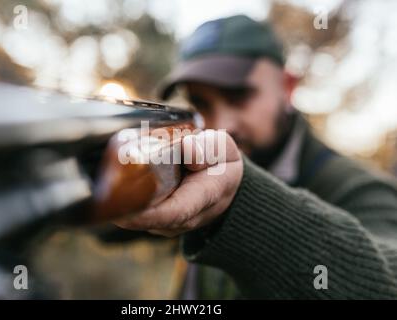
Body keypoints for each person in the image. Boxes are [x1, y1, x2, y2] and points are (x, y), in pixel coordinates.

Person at [112, 15, 397, 299]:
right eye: (201, 102)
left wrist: (239, 202)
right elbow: (114, 226)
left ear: (287, 88)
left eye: (239, 97)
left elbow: (387, 283)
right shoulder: (192, 163)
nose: (222, 125)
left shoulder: (359, 188)